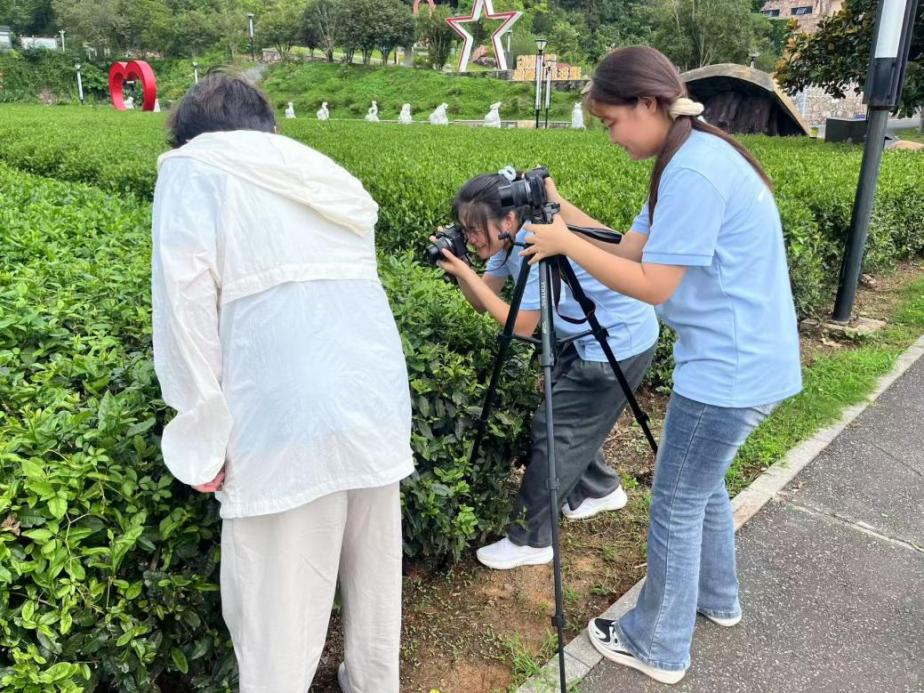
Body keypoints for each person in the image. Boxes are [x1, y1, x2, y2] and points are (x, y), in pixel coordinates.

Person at [521, 46, 802, 684]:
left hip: (728, 371)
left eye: (612, 121)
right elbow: (631, 247)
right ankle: (717, 598)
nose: (612, 136)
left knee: (675, 502)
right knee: (703, 489)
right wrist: (561, 212)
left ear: (648, 103)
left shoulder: (694, 172)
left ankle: (658, 645)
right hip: (744, 361)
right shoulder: (689, 156)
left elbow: (651, 284)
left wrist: (564, 245)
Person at [151, 73, 413, 693]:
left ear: (191, 134)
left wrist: (201, 436)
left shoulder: (192, 169)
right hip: (373, 397)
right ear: (266, 125)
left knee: (276, 608)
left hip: (281, 412)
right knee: (375, 580)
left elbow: (184, 307)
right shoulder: (323, 172)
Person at [434, 169, 659, 570]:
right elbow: (483, 300)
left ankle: (531, 540)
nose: (471, 237)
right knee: (568, 421)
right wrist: (462, 265)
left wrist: (467, 273)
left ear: (507, 218)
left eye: (474, 229)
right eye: (464, 230)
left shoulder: (534, 242)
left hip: (615, 342)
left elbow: (522, 326)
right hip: (587, 335)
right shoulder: (508, 240)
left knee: (554, 431)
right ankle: (598, 490)